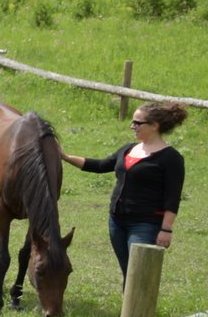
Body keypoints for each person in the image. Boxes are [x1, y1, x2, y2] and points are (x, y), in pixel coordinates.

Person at [62, 100, 186, 273]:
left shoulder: (171, 158)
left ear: (154, 126)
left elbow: (172, 197)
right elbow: (100, 166)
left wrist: (166, 229)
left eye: (137, 123)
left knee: (139, 272)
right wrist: (65, 157)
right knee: (127, 270)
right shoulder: (128, 149)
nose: (132, 126)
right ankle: (128, 300)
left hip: (145, 223)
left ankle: (139, 301)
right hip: (116, 221)